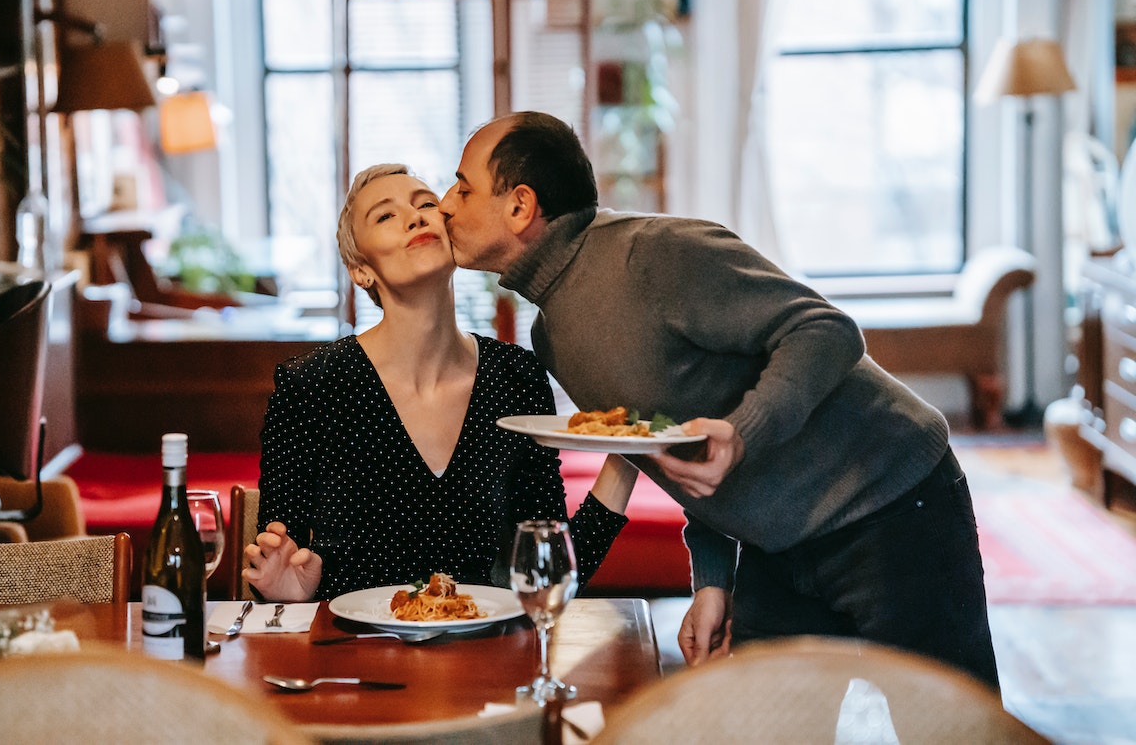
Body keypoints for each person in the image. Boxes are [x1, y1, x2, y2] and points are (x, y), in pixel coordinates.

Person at [437, 111, 1001, 689]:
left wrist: (746, 430)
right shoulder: (551, 335)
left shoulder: (656, 254)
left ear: (520, 205)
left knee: (950, 726)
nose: (445, 204)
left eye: (462, 186)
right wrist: (711, 576)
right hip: (775, 547)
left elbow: (826, 331)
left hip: (892, 505)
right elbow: (670, 440)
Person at [243, 163, 636, 603]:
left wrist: (633, 452)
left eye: (427, 204)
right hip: (352, 662)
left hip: (486, 660)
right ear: (361, 270)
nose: (416, 217)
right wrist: (285, 593)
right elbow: (277, 567)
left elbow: (547, 574)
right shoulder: (310, 386)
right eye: (385, 215)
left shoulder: (517, 376)